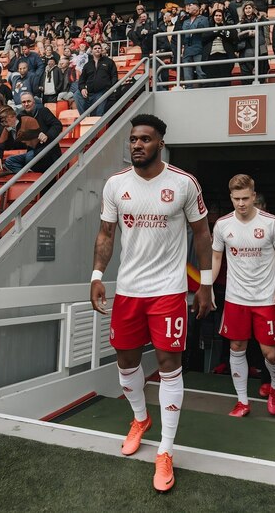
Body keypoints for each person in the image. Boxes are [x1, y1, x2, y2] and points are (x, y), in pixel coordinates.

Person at [90, 113, 213, 492]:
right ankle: (140, 419)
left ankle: (165, 449)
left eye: (144, 139)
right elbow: (106, 233)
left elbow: (203, 234)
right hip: (128, 290)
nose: (137, 145)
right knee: (126, 360)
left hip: (169, 290)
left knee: (168, 364)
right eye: (133, 140)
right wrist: (97, 275)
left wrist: (204, 284)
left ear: (160, 142)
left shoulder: (183, 184)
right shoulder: (116, 185)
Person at [212, 174, 275, 417]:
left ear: (254, 196)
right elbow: (217, 257)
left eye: (245, 198)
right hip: (235, 299)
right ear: (231, 197)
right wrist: (207, 286)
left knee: (271, 353)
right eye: (236, 199)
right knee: (236, 347)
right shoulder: (223, 225)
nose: (241, 203)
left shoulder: (271, 223)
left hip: (266, 299)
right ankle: (242, 401)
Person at [75, 43, 118, 116]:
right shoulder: (87, 65)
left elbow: (114, 75)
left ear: (101, 50)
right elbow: (82, 80)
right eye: (95, 48)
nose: (97, 49)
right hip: (90, 92)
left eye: (99, 48)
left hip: (102, 91)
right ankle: (84, 117)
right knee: (76, 94)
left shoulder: (109, 62)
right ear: (91, 51)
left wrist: (112, 88)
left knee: (98, 114)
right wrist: (82, 88)